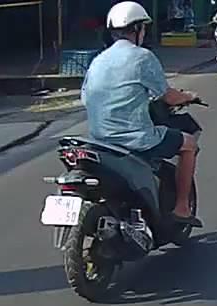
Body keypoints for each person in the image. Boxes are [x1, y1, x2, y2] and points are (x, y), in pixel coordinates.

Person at [82, 1, 202, 227]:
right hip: (135, 139)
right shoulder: (143, 57)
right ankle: (182, 208)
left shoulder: (98, 60)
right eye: (143, 28)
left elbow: (85, 97)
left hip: (99, 140)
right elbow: (169, 97)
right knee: (189, 145)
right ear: (137, 29)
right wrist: (188, 96)